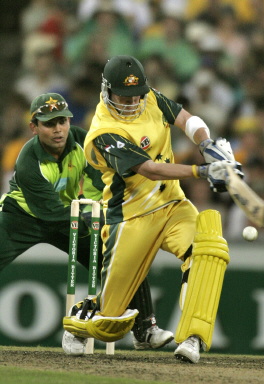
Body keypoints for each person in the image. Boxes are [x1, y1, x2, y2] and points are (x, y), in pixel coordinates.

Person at [63, 55, 243, 363]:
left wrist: (207, 144)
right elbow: (150, 169)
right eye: (124, 95)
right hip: (131, 218)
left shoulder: (151, 98)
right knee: (110, 323)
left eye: (137, 94)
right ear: (107, 91)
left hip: (173, 205)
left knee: (206, 251)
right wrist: (203, 172)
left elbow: (188, 119)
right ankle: (79, 321)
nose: (133, 101)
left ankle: (192, 338)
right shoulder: (103, 131)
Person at [0, 92, 173, 354]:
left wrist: (103, 218)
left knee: (125, 254)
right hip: (21, 217)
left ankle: (145, 329)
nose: (58, 130)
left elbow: (100, 184)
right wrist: (89, 219)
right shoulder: (28, 160)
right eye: (49, 124)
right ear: (33, 127)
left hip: (71, 212)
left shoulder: (84, 141)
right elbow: (50, 211)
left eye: (62, 121)